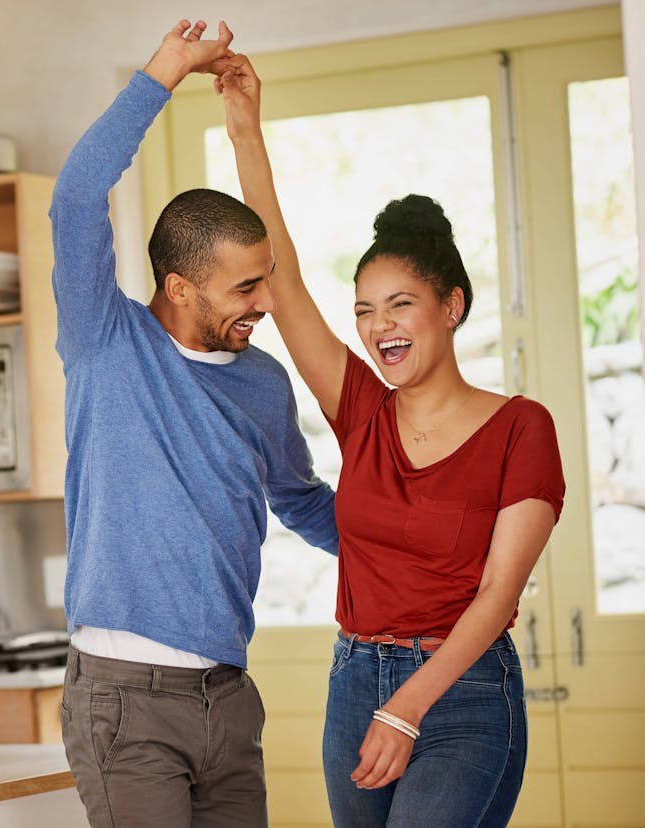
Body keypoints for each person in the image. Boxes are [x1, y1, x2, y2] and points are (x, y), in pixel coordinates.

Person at [215, 54, 565, 827]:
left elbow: (499, 595)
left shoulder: (521, 428)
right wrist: (244, 127)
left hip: (465, 693)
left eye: (400, 304)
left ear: (452, 306)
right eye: (366, 310)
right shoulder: (362, 409)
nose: (379, 328)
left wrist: (408, 708)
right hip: (353, 681)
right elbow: (284, 279)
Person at [50, 21, 338, 828]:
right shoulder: (107, 342)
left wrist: (427, 559)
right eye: (247, 288)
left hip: (229, 700)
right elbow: (75, 200)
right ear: (180, 287)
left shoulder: (263, 383)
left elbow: (306, 503)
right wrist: (165, 72)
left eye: (268, 280)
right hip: (124, 704)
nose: (268, 304)